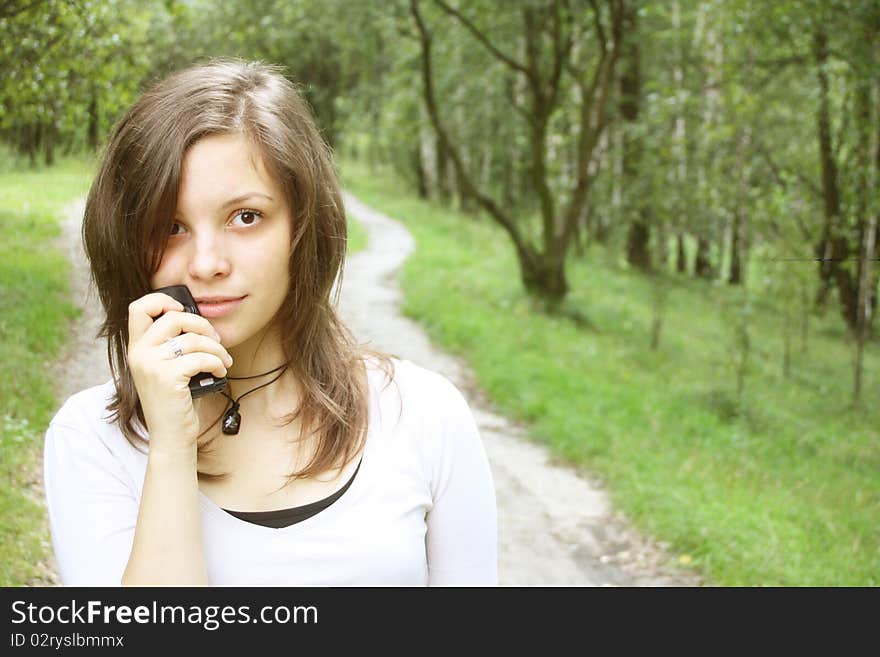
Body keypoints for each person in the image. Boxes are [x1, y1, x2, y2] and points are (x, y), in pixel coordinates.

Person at [42, 59, 497, 586]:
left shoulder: (423, 415)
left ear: (304, 229)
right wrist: (170, 445)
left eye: (246, 217)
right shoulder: (90, 440)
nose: (207, 262)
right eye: (171, 226)